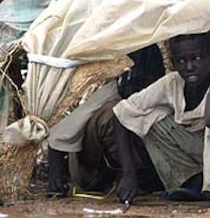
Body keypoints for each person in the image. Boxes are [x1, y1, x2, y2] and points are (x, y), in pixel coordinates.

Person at [113, 32, 210, 204]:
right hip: (204, 148)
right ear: (173, 63)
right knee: (151, 119)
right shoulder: (172, 82)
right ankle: (194, 181)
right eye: (181, 61)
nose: (189, 67)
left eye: (196, 58)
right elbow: (121, 113)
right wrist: (128, 173)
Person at [47, 44, 165, 196]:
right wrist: (54, 179)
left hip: (146, 167)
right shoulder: (110, 94)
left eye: (144, 81)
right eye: (132, 80)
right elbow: (61, 135)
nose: (136, 88)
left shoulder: (161, 93)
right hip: (93, 175)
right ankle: (131, 177)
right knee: (116, 113)